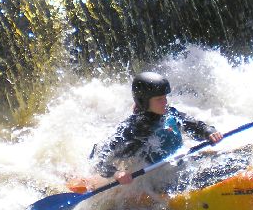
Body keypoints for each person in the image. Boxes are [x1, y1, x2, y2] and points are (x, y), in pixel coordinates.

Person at [92, 71, 223, 186]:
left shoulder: (170, 114)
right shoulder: (134, 130)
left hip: (181, 166)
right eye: (159, 99)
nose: (165, 102)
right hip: (160, 181)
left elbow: (196, 126)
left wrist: (208, 132)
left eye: (165, 97)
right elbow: (100, 157)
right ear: (144, 101)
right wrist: (116, 173)